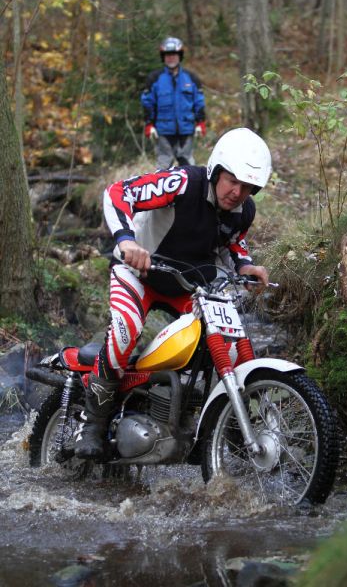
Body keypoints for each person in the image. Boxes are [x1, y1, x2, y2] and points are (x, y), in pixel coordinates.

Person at [74, 128, 272, 459]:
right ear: (216, 171)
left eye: (247, 187)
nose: (237, 192)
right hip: (139, 272)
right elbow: (118, 192)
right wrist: (126, 240)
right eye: (232, 181)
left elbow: (232, 242)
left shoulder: (244, 210)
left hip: (189, 285)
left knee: (226, 341)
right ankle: (91, 423)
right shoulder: (181, 182)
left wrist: (245, 266)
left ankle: (224, 423)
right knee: (125, 332)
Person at [141, 36, 206, 169]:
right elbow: (148, 103)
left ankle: (190, 183)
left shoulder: (191, 78)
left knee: (188, 167)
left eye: (174, 55)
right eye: (167, 55)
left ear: (179, 56)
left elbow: (199, 102)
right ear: (163, 57)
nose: (171, 58)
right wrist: (149, 124)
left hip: (186, 130)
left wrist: (201, 122)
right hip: (163, 132)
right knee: (163, 167)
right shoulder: (154, 79)